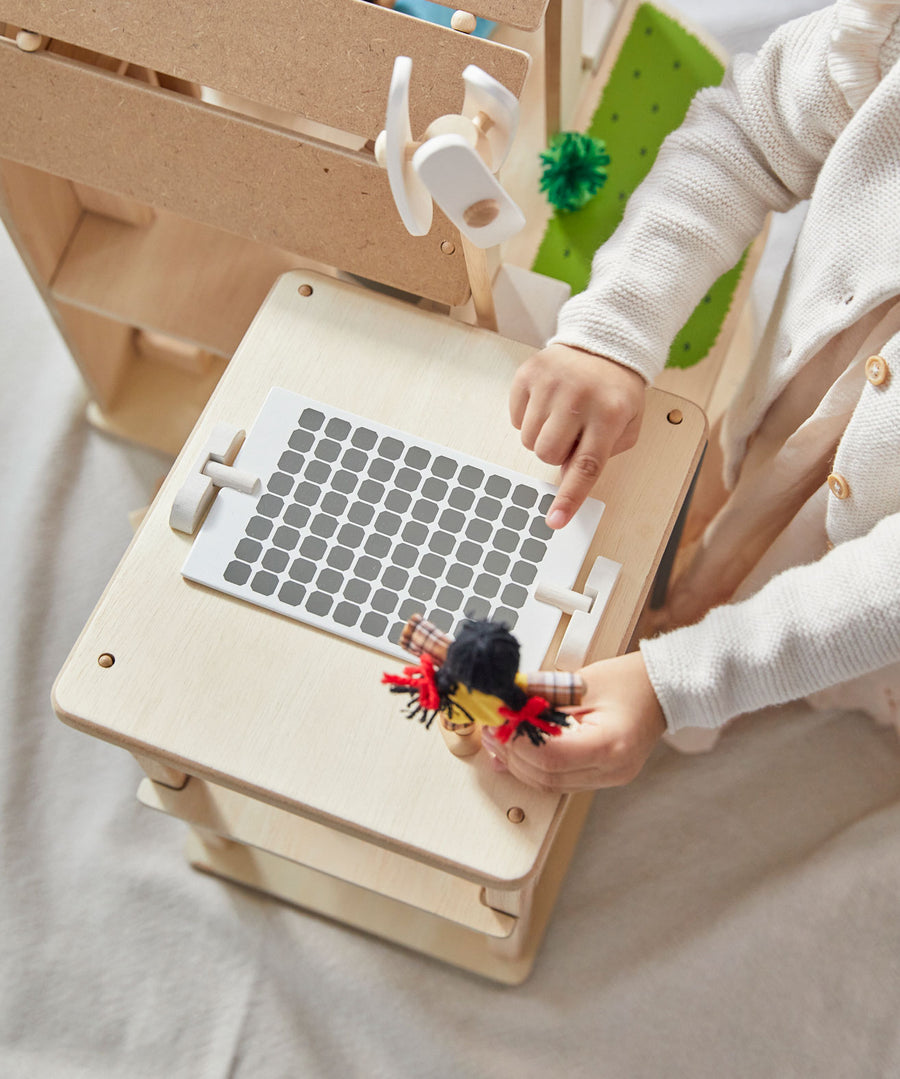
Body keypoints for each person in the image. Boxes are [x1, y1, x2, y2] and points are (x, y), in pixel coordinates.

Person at [482, 0, 900, 792]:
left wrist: (681, 682)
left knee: (824, 652)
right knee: (709, 505)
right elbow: (743, 137)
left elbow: (883, 592)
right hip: (772, 435)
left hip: (873, 604)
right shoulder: (885, 40)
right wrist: (614, 329)